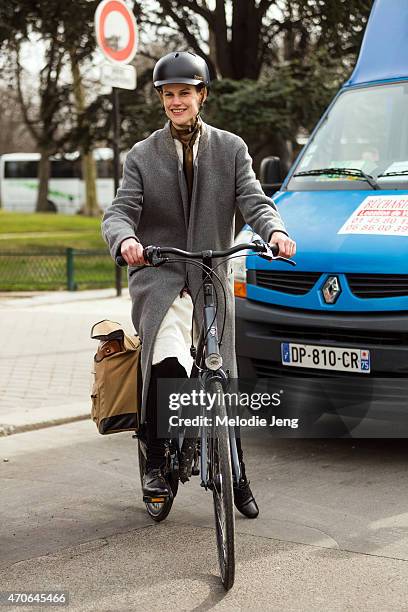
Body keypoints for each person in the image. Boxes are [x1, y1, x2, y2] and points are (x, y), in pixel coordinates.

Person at [102, 51, 296, 519]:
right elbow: (121, 210)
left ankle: (236, 473)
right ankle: (158, 465)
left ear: (201, 95)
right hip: (162, 275)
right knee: (166, 357)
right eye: (168, 94)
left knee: (219, 374)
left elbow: (254, 198)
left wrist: (275, 231)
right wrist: (126, 239)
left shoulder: (230, 148)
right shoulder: (143, 155)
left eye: (184, 93)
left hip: (211, 276)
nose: (175, 101)